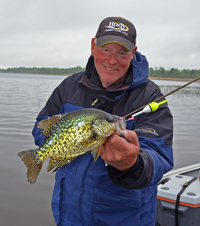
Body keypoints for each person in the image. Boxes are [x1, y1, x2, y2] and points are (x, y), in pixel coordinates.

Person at [32, 17, 173, 226]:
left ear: (133, 54)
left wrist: (132, 164)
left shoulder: (149, 96)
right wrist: (61, 143)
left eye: (122, 52)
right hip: (68, 216)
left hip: (124, 218)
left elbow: (159, 157)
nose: (112, 60)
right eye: (106, 49)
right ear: (93, 47)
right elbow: (40, 126)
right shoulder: (69, 86)